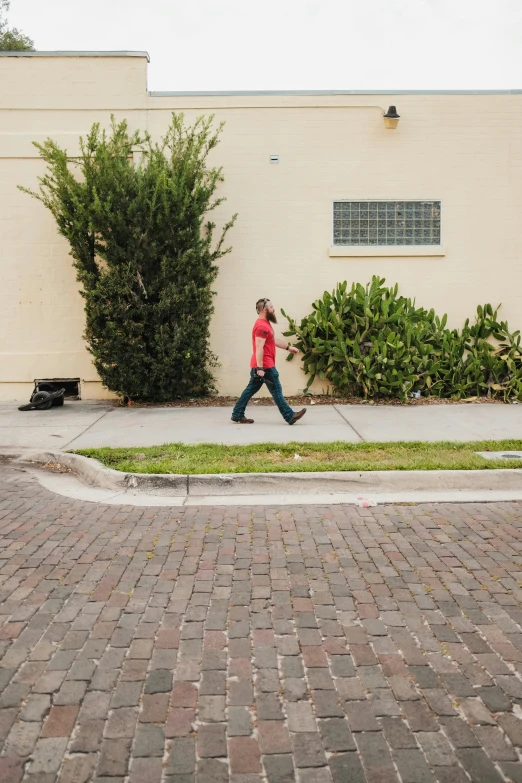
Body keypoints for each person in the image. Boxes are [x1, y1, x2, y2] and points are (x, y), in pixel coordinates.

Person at [231, 298, 307, 425]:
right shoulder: (261, 326)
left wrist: (288, 348)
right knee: (276, 390)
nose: (274, 309)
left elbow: (272, 339)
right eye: (271, 308)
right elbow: (259, 346)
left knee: (250, 390)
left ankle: (237, 413)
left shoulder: (265, 324)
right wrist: (260, 368)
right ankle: (289, 415)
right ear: (265, 310)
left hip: (261, 365)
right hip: (265, 365)